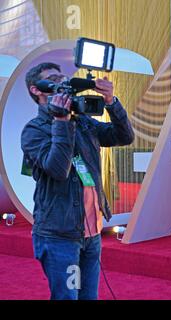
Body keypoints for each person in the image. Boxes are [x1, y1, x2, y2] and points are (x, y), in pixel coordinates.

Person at [21, 62, 134, 300]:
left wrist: (111, 102)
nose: (62, 82)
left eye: (63, 77)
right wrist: (61, 123)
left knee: (88, 297)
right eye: (54, 78)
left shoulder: (82, 121)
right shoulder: (33, 130)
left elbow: (123, 136)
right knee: (67, 297)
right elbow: (58, 169)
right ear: (37, 90)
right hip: (59, 235)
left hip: (91, 235)